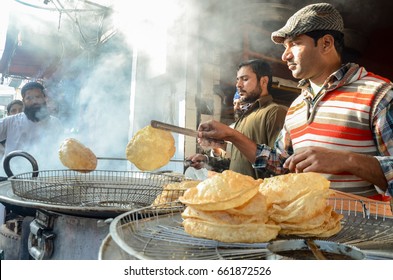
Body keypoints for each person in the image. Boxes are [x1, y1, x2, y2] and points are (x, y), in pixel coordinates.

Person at [197, 3, 393, 201]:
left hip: (363, 231)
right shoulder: (298, 106)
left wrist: (348, 160)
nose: (285, 55)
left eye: (295, 43)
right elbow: (281, 164)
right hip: (306, 228)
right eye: (285, 46)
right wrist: (232, 135)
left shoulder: (378, 93)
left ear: (326, 43)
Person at [187, 59, 288, 179]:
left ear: (263, 81)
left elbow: (279, 166)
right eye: (237, 80)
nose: (238, 85)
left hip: (260, 196)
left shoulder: (274, 112)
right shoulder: (244, 118)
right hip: (240, 194)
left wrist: (231, 135)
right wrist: (207, 161)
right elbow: (241, 163)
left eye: (245, 79)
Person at [0, 81, 65, 176]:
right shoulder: (10, 121)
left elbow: (60, 151)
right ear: (23, 102)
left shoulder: (55, 124)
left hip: (44, 177)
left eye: (38, 97)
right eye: (29, 98)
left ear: (44, 98)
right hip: (11, 177)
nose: (34, 101)